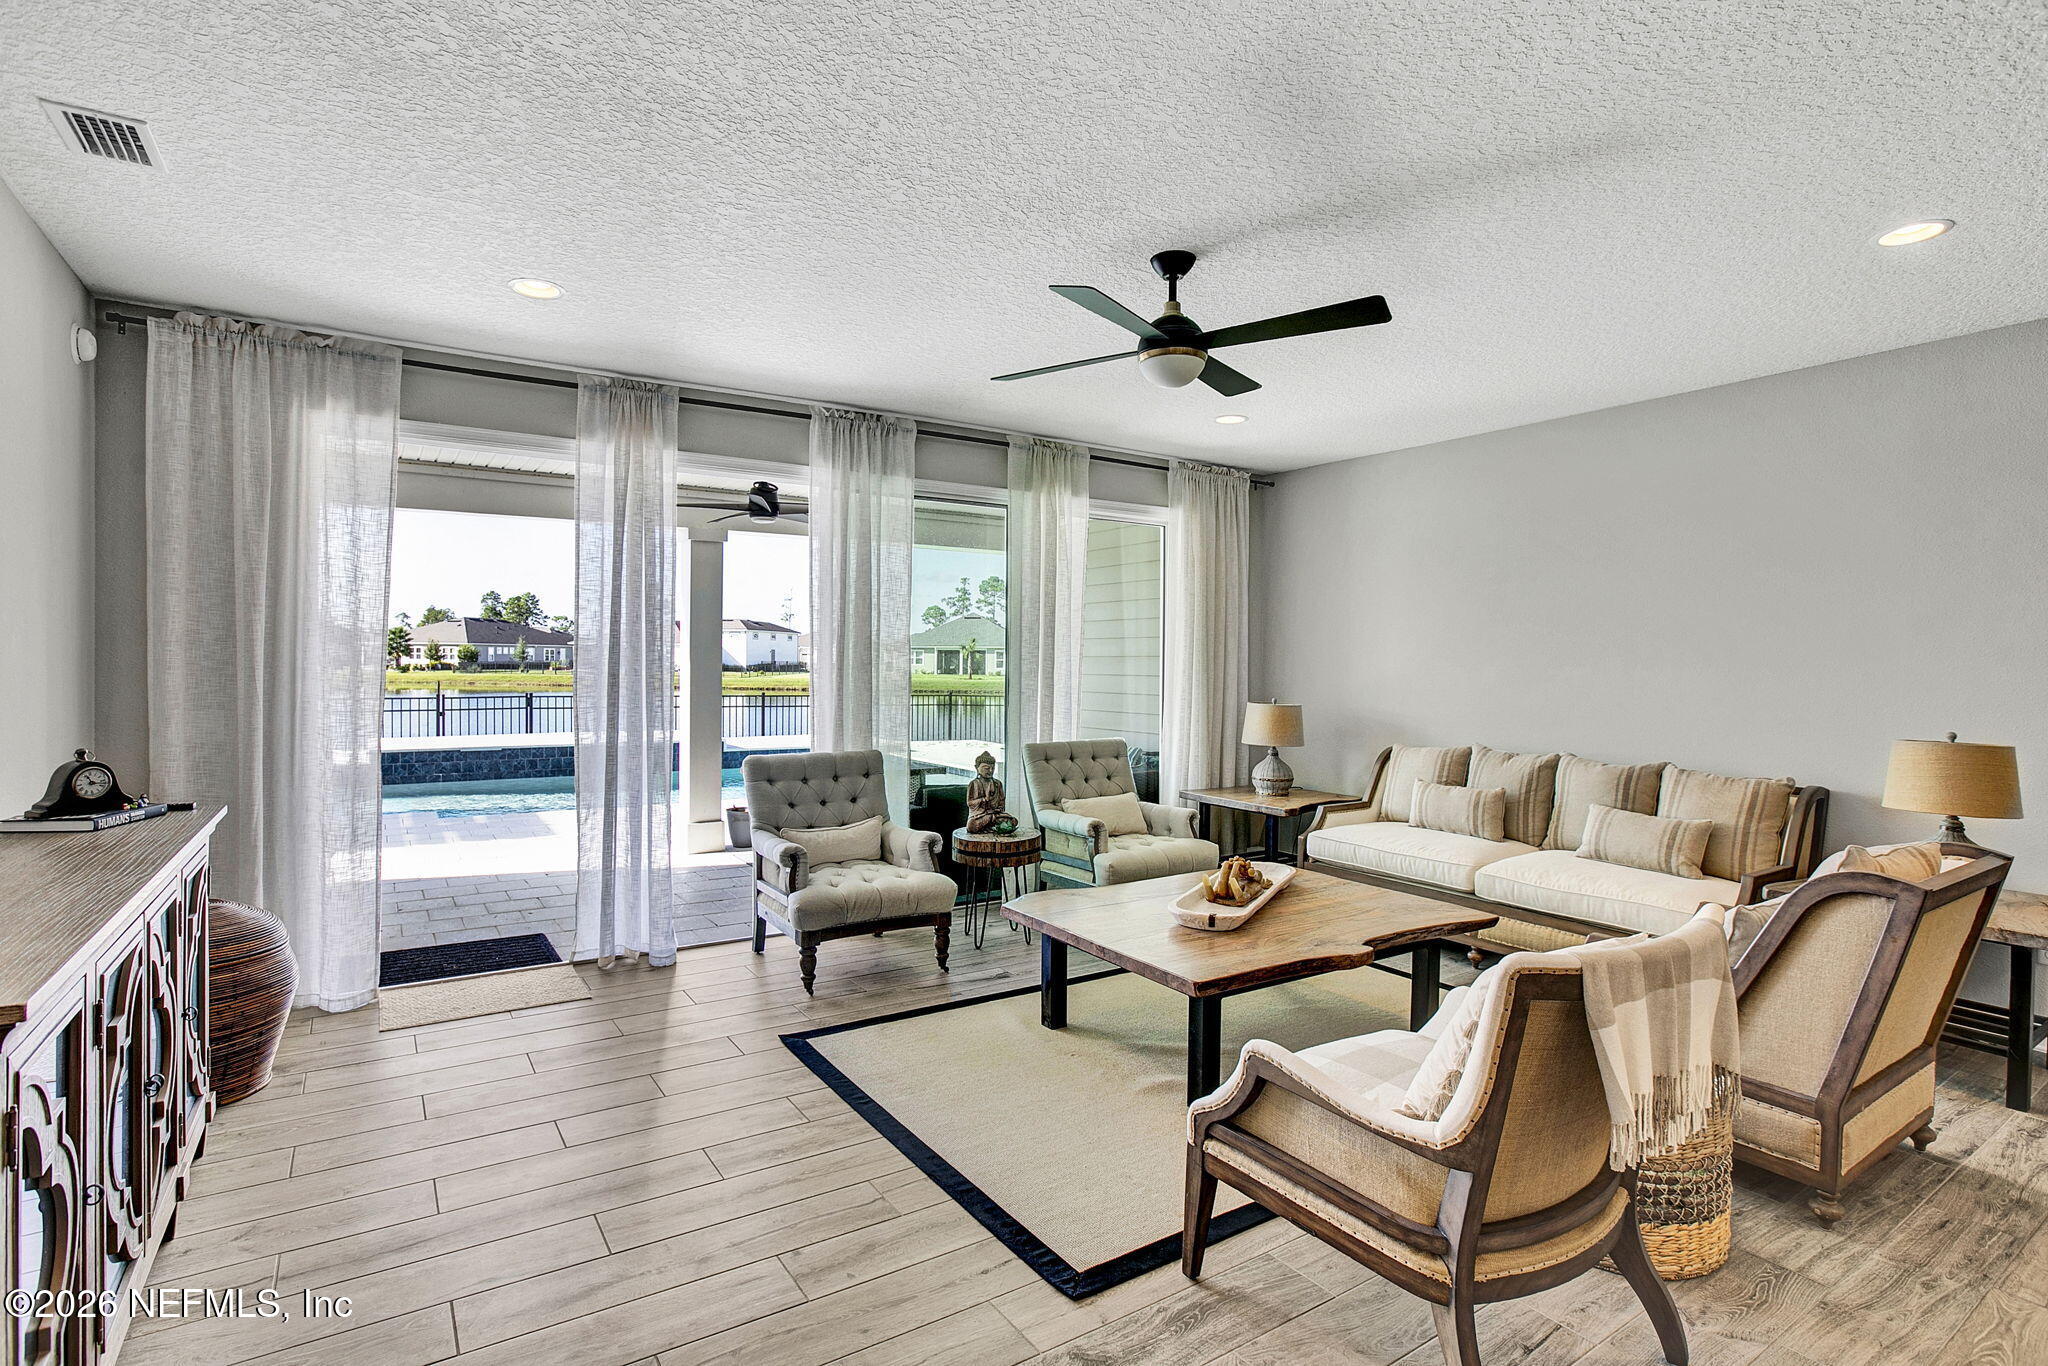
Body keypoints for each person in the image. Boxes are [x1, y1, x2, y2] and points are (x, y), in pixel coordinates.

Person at [964, 751, 1007, 833]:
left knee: (1013, 821)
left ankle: (992, 822)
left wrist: (999, 809)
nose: (990, 770)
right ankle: (991, 823)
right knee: (971, 825)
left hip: (995, 814)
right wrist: (983, 800)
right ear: (977, 768)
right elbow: (970, 803)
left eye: (993, 768)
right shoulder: (974, 784)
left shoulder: (998, 784)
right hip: (979, 815)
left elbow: (1002, 801)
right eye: (986, 768)